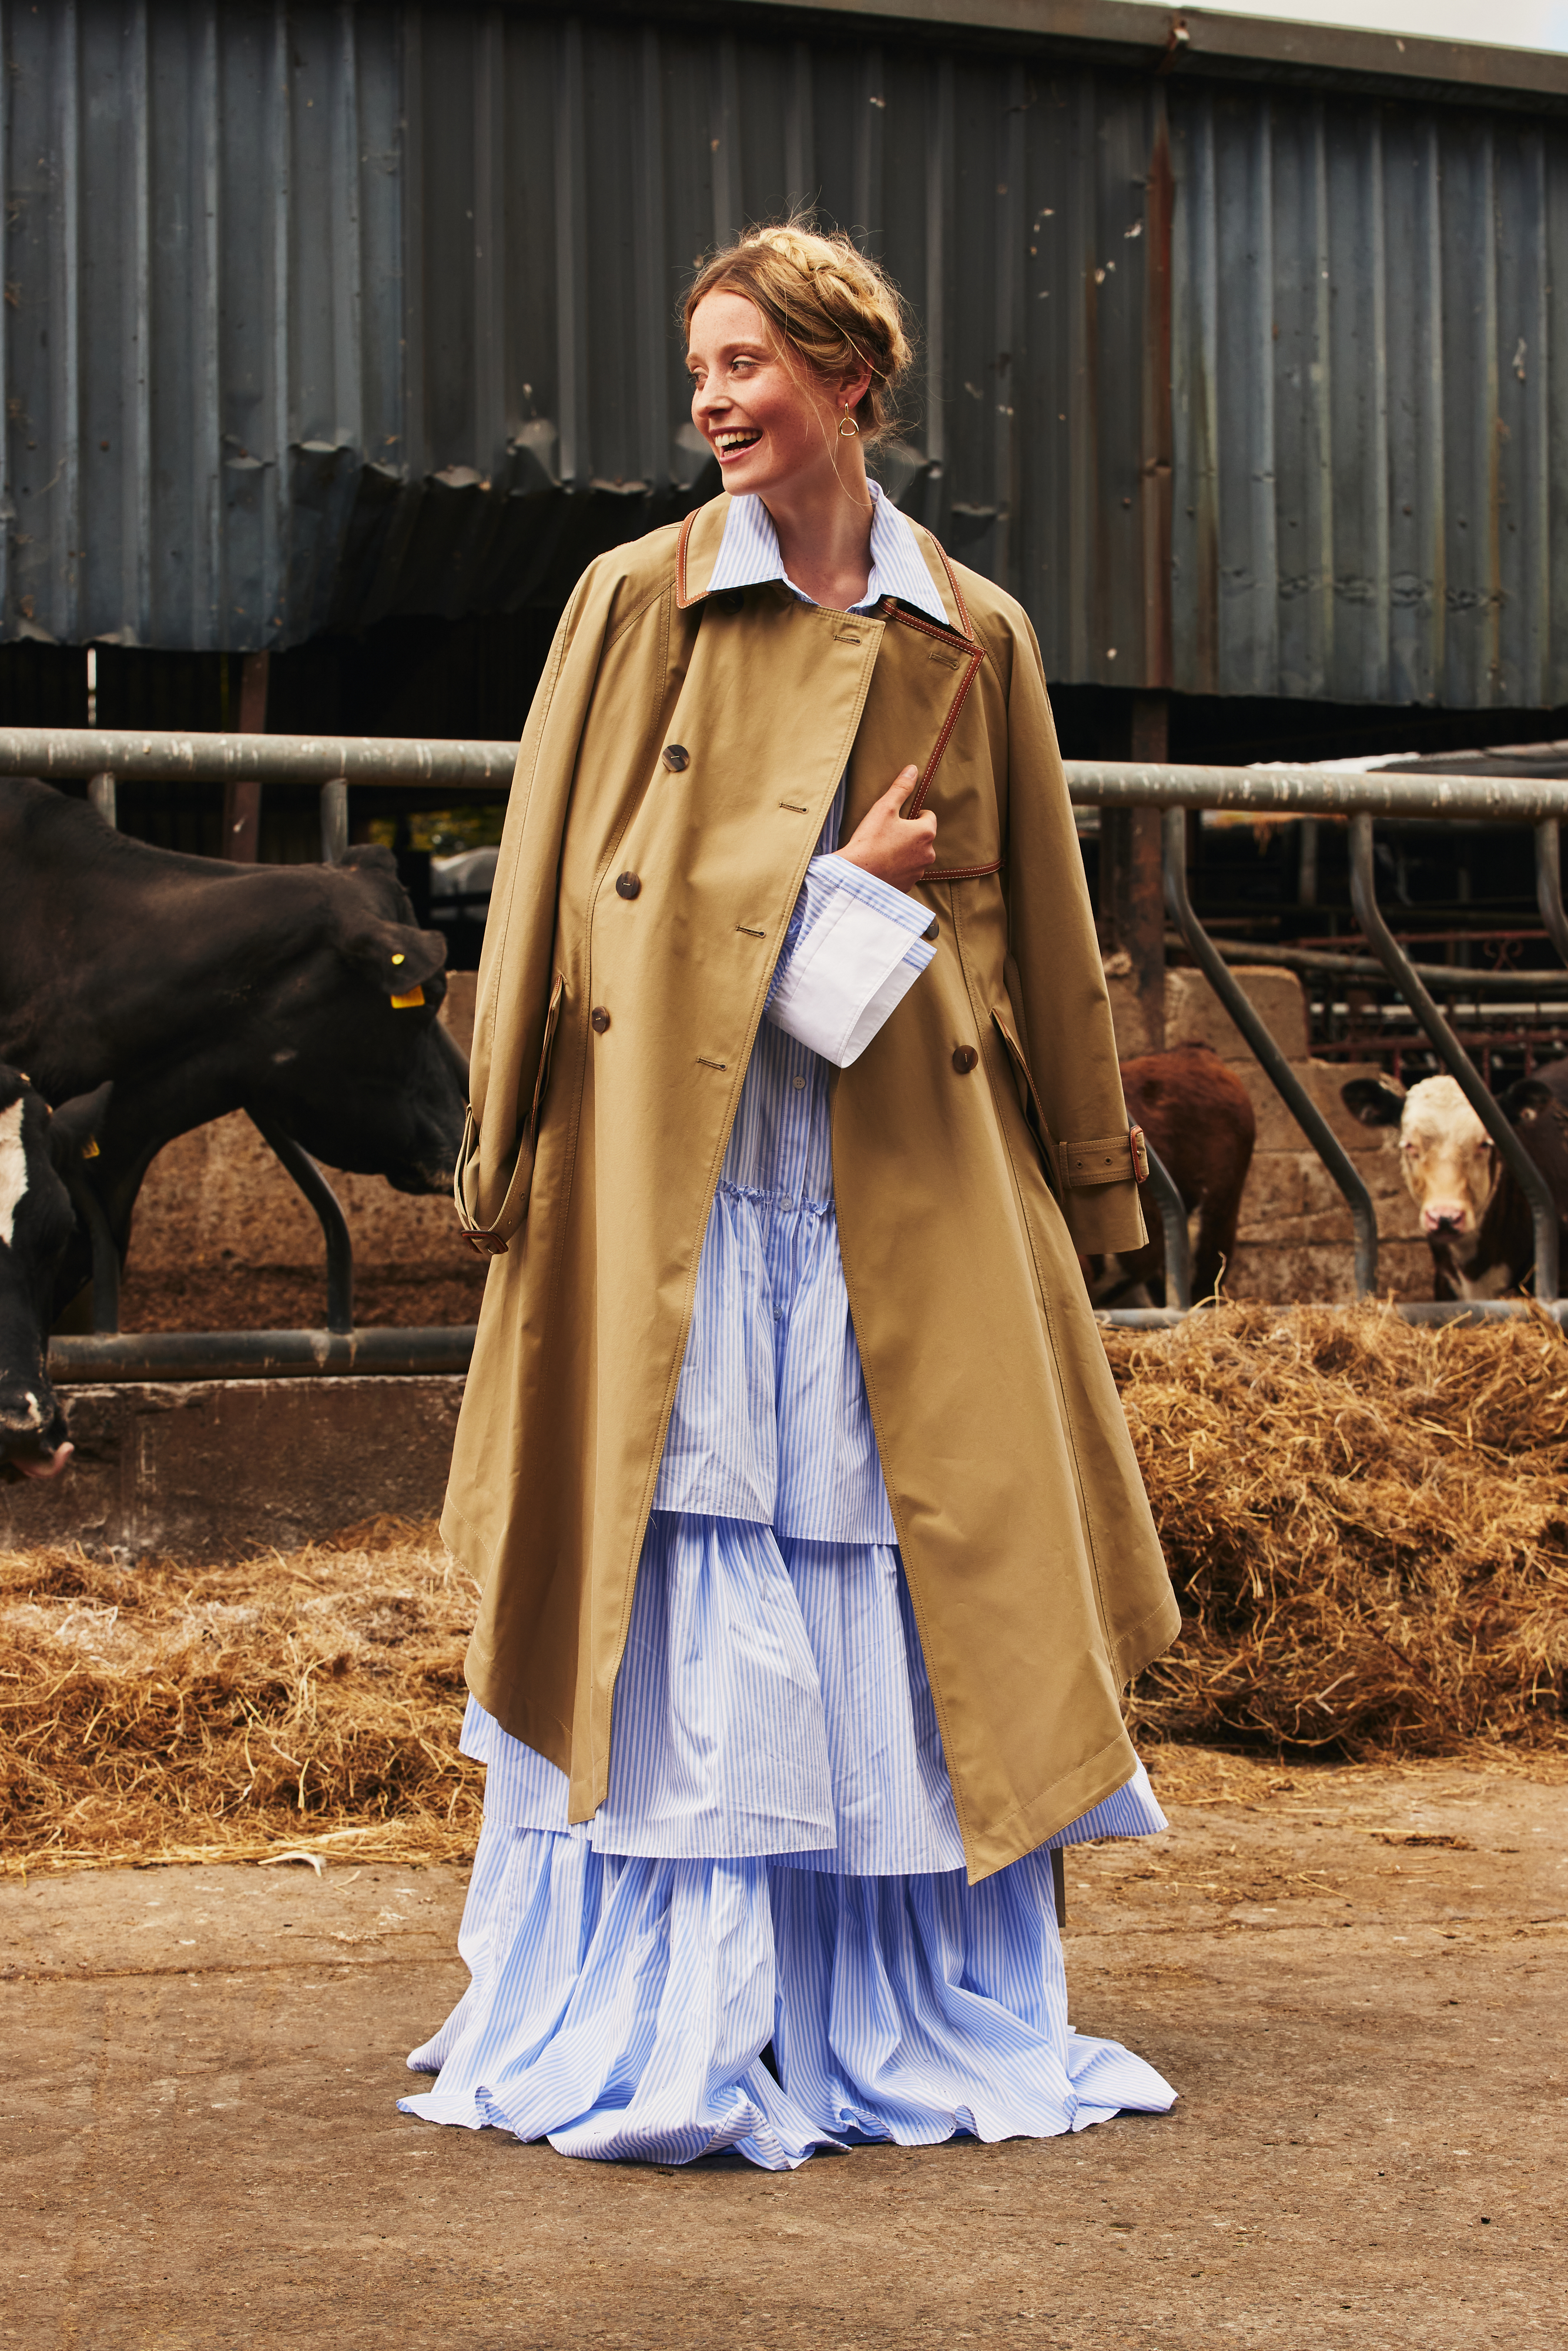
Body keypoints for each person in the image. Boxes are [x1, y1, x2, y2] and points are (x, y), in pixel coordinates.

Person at [402, 222, 1181, 2169]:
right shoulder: (630, 601)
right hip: (677, 1152)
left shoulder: (966, 629)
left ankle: (870, 2001)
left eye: (745, 364)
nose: (709, 403)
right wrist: (505, 1136)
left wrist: (1092, 1178)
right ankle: (684, 2009)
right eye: (700, 369)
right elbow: (560, 878)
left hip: (900, 1166)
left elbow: (1039, 918)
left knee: (900, 1533)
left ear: (847, 378)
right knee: (681, 1530)